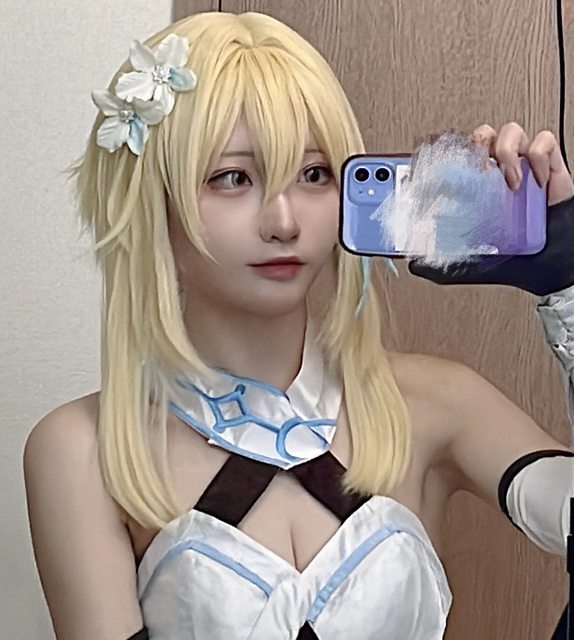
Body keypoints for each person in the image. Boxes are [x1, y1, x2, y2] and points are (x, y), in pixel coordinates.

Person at [22, 11, 574, 640]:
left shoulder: (437, 403)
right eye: (233, 178)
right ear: (152, 202)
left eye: (313, 174)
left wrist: (569, 288)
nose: (284, 221)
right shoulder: (83, 449)